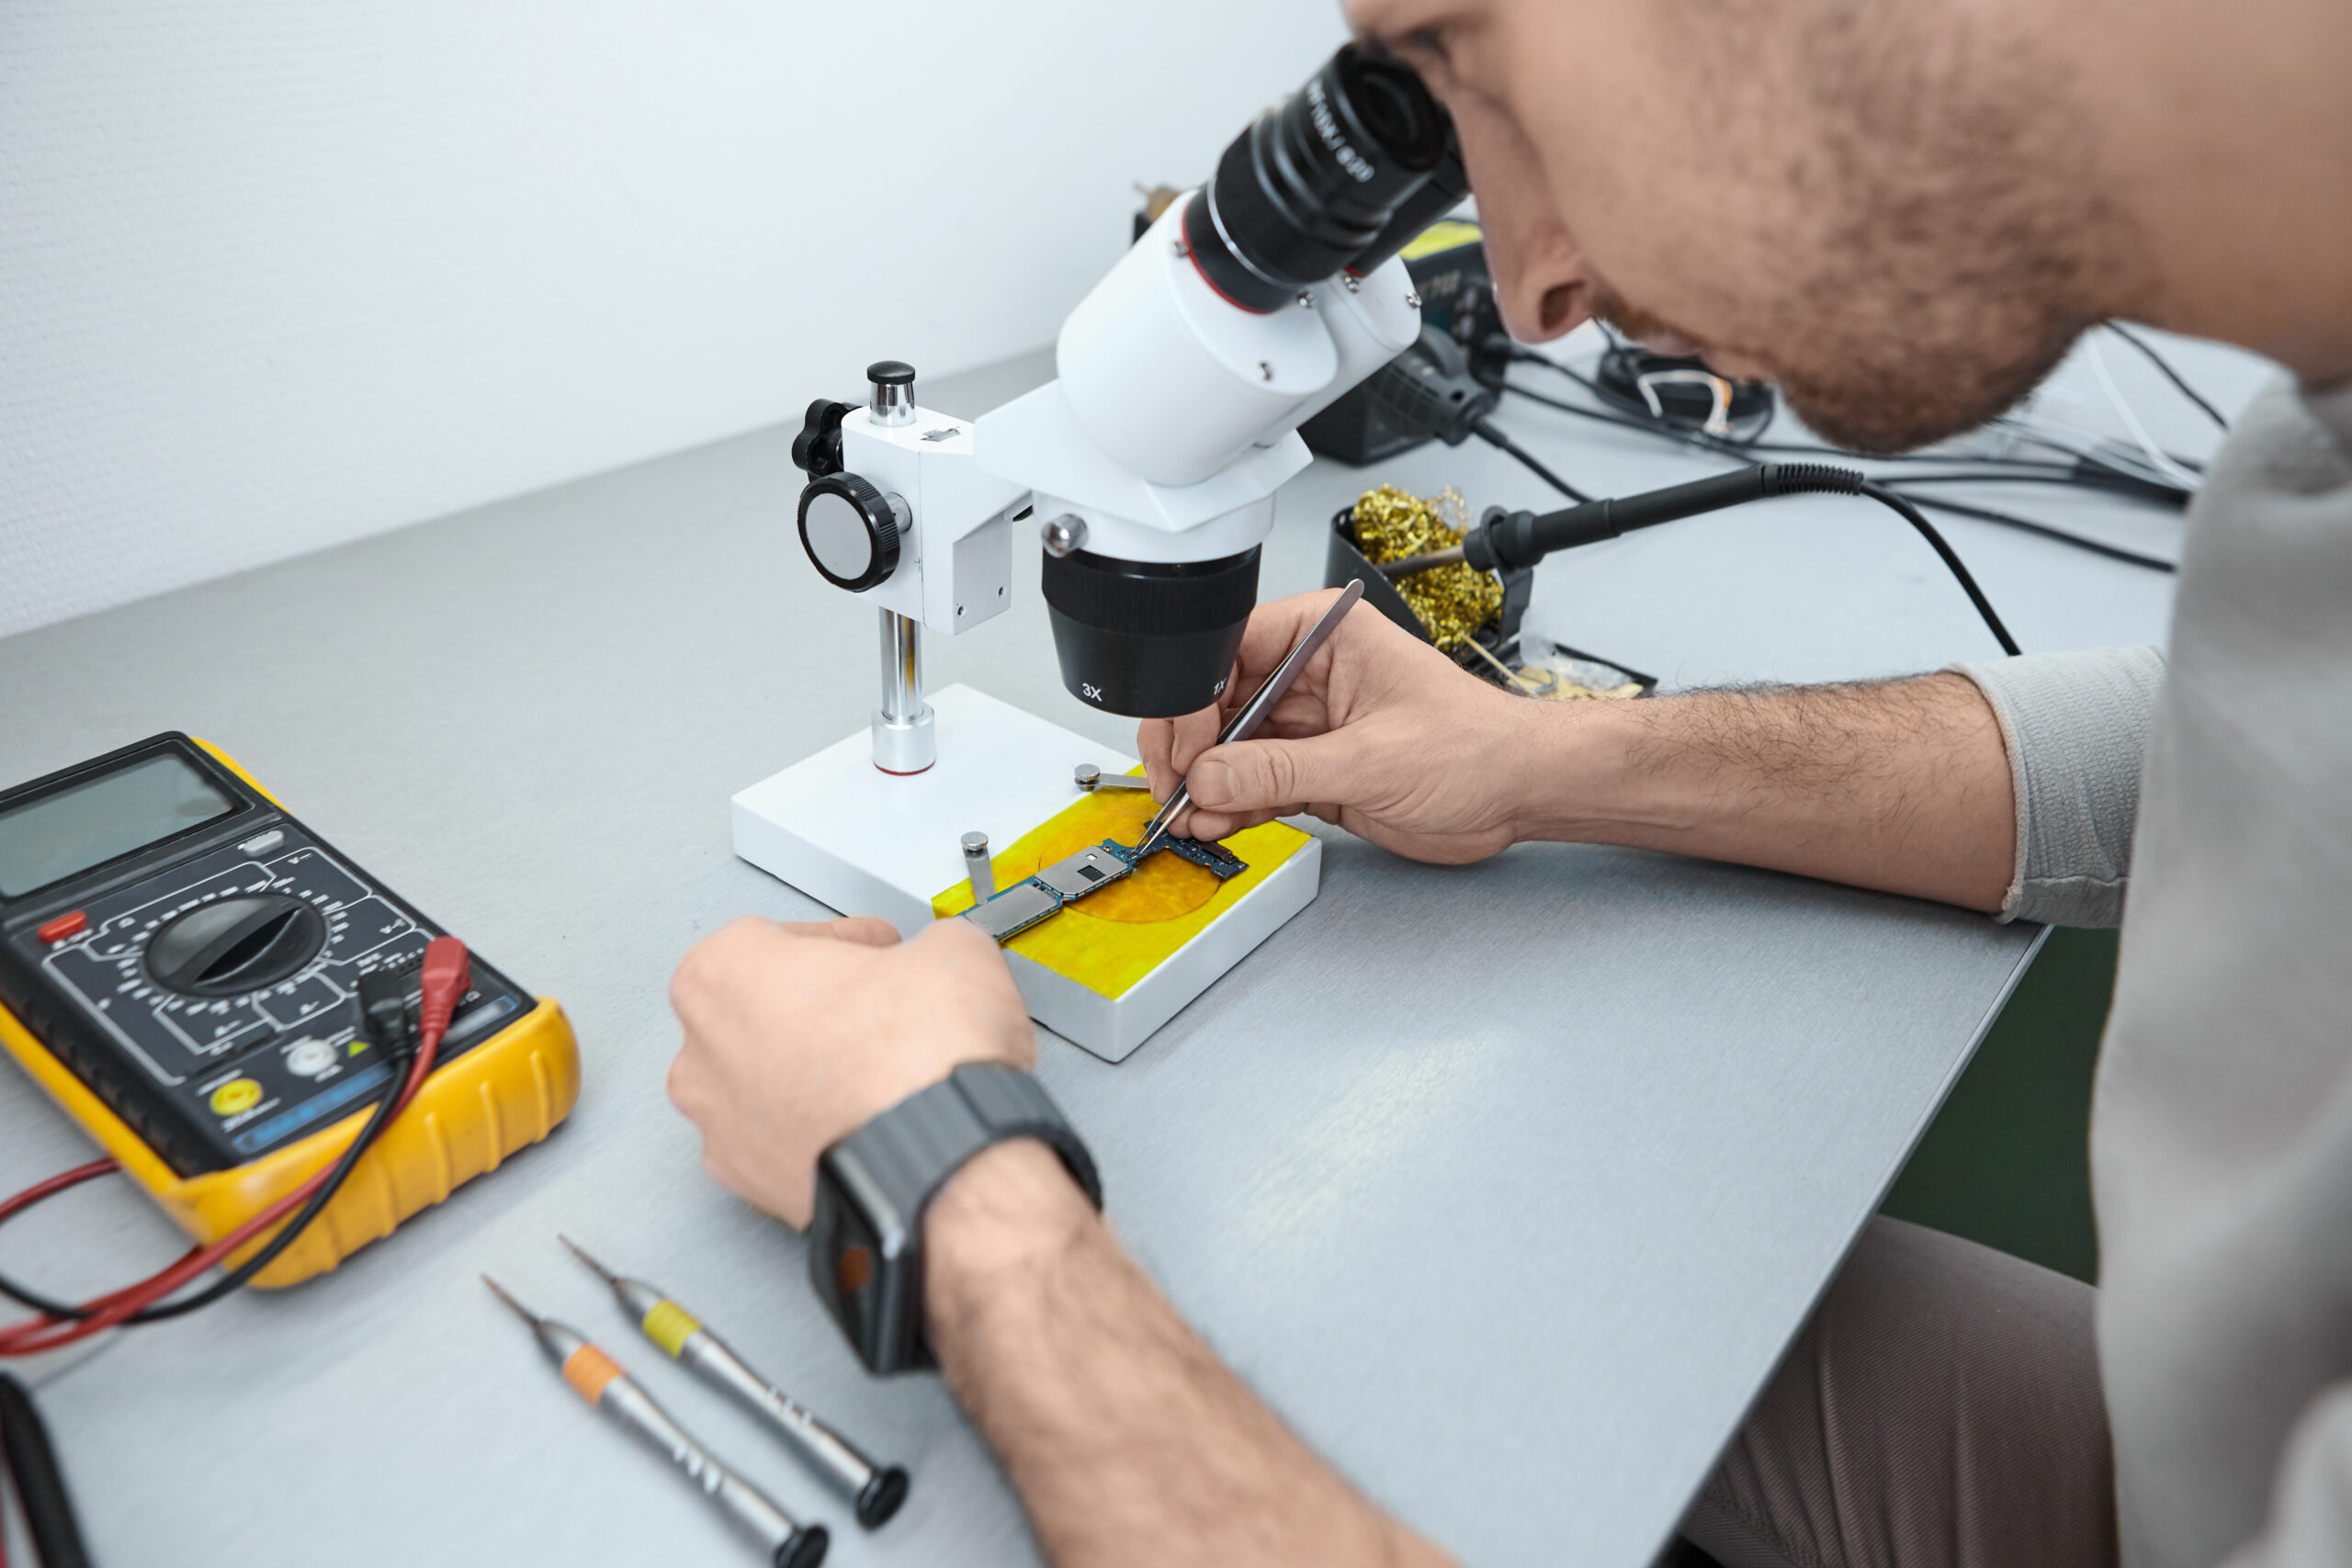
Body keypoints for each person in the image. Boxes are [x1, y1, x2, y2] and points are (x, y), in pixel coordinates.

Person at [663, 0, 2352, 1562]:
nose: (1533, 288)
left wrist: (955, 1204)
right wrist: (1542, 760)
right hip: (2209, 1431)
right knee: (1540, 1321)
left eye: (1475, 56)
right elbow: (2185, 749)